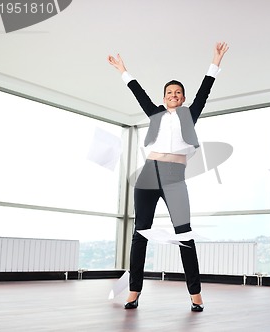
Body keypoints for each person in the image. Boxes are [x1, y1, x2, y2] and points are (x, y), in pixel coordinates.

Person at [107, 42, 229, 312]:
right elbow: (138, 94)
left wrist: (215, 62)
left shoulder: (189, 115)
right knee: (140, 233)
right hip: (148, 175)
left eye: (178, 92)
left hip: (175, 177)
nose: (174, 95)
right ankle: (134, 293)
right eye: (169, 92)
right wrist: (123, 70)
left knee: (185, 234)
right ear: (164, 98)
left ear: (183, 99)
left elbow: (204, 92)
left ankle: (196, 296)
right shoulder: (156, 115)